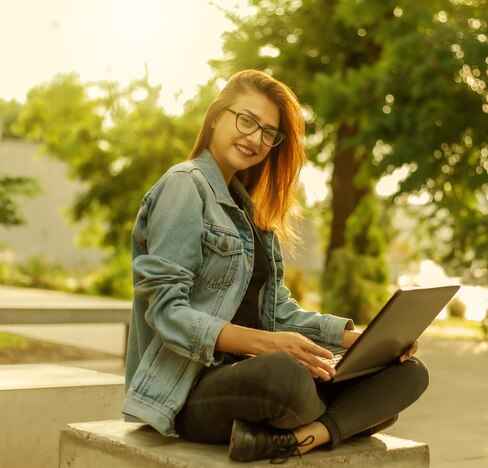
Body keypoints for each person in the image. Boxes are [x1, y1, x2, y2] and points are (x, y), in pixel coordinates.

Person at [123, 69, 429, 463]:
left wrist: (363, 341)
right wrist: (268, 346)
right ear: (216, 116)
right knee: (286, 376)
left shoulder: (250, 214)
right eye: (246, 120)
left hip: (250, 377)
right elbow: (166, 311)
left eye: (269, 132)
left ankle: (299, 438)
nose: (255, 139)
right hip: (187, 388)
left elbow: (278, 313)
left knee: (407, 373)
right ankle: (342, 421)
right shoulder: (185, 185)